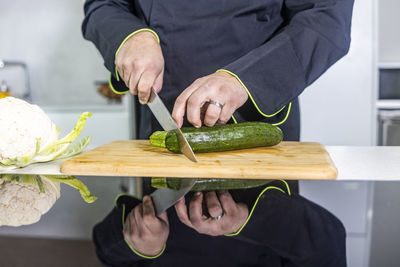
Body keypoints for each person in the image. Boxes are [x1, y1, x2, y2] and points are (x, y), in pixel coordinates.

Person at [82, 0, 354, 266]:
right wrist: (129, 36)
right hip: (162, 148)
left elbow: (327, 17)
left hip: (257, 143)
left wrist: (245, 79)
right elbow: (104, 5)